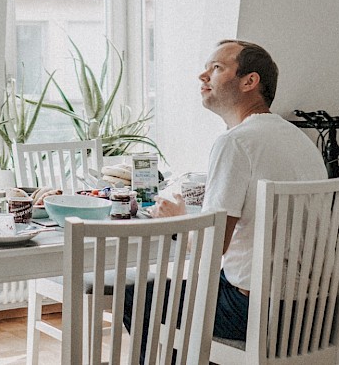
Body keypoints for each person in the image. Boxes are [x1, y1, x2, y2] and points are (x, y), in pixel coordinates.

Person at [123, 39, 328, 355]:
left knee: (136, 297)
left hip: (259, 312)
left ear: (250, 81)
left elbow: (211, 248)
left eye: (216, 68)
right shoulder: (299, 140)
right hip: (314, 311)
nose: (202, 77)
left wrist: (178, 221)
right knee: (190, 283)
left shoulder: (236, 142)